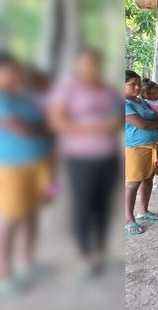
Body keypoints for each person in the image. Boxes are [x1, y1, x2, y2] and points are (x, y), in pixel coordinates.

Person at [48, 48, 121, 277]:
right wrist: (91, 127)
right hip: (80, 158)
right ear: (78, 65)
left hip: (107, 157)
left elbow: (118, 119)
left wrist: (111, 125)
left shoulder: (108, 90)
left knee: (104, 204)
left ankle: (100, 251)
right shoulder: (67, 89)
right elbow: (57, 122)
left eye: (96, 63)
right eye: (87, 63)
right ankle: (84, 255)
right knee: (83, 205)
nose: (92, 67)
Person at [0, 54, 52, 296]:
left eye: (16, 71)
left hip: (37, 164)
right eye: (9, 71)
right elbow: (21, 129)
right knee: (10, 219)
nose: (15, 76)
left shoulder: (22, 97)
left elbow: (44, 121)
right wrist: (48, 128)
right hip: (13, 167)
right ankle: (5, 276)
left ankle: (28, 263)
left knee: (32, 213)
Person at [123, 70, 158, 236]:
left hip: (152, 146)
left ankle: (143, 211)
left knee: (148, 178)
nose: (137, 87)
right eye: (132, 84)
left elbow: (151, 120)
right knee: (133, 183)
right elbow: (141, 124)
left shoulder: (139, 101)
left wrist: (157, 124)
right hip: (136, 148)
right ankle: (128, 219)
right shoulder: (124, 104)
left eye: (139, 84)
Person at [141, 79, 158, 167]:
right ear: (143, 94)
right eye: (149, 94)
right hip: (151, 124)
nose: (152, 96)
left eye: (154, 93)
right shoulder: (144, 102)